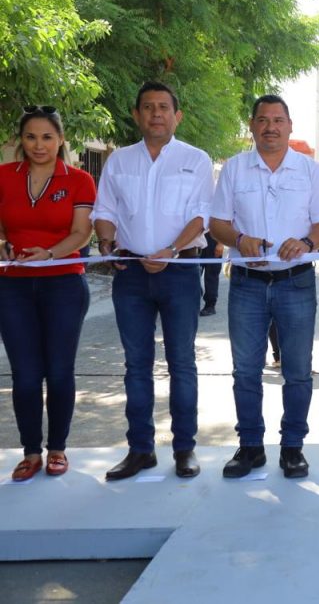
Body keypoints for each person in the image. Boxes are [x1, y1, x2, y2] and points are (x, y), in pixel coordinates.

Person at [210, 94, 319, 479]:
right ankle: (250, 447)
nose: (270, 127)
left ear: (290, 126)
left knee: (297, 370)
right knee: (245, 370)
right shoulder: (234, 168)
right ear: (252, 125)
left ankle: (293, 447)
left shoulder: (309, 170)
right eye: (263, 120)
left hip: (295, 282)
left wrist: (307, 243)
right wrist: (239, 239)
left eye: (278, 120)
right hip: (247, 284)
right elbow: (217, 223)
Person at [93, 82, 213, 481]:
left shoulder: (196, 160)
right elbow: (105, 210)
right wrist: (107, 243)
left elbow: (202, 215)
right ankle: (140, 450)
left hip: (179, 272)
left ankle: (185, 448)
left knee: (182, 363)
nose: (156, 113)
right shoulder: (119, 161)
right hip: (129, 274)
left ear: (177, 116)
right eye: (148, 107)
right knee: (136, 365)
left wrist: (171, 250)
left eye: (163, 107)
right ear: (136, 115)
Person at [0, 107, 95, 481]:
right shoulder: (4, 176)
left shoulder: (80, 180)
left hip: (63, 283)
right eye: (30, 137)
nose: (38, 145)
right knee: (25, 375)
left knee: (58, 371)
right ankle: (30, 452)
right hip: (12, 285)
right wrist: (3, 243)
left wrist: (51, 254)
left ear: (60, 140)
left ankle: (57, 448)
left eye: (47, 137)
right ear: (20, 140)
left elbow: (81, 233)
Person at [199, 232, 222, 316]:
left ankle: (210, 306)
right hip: (197, 239)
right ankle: (194, 300)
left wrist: (220, 243)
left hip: (213, 239)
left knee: (212, 276)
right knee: (193, 275)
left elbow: (222, 225)